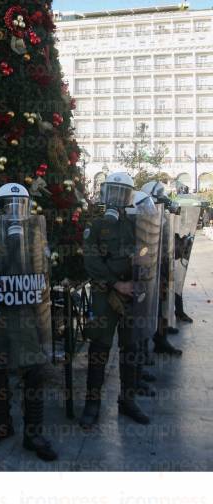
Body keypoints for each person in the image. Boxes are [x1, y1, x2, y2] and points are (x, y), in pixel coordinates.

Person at [0, 183, 57, 462]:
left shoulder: (35, 237)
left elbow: (46, 273)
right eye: (8, 206)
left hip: (28, 319)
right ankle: (1, 425)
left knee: (33, 374)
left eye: (20, 206)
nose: (15, 212)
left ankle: (33, 432)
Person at [79, 172, 152, 429]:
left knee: (130, 348)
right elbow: (91, 260)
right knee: (99, 348)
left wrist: (139, 272)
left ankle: (128, 400)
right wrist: (116, 283)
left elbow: (147, 250)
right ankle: (92, 402)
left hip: (131, 292)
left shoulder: (136, 223)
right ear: (104, 193)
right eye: (113, 192)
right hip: (104, 293)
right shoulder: (96, 225)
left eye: (122, 193)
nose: (117, 198)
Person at [141, 181, 182, 356]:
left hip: (163, 265)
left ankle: (161, 337)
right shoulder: (143, 215)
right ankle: (145, 349)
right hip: (149, 268)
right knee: (147, 309)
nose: (163, 197)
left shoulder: (162, 214)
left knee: (161, 305)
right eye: (159, 193)